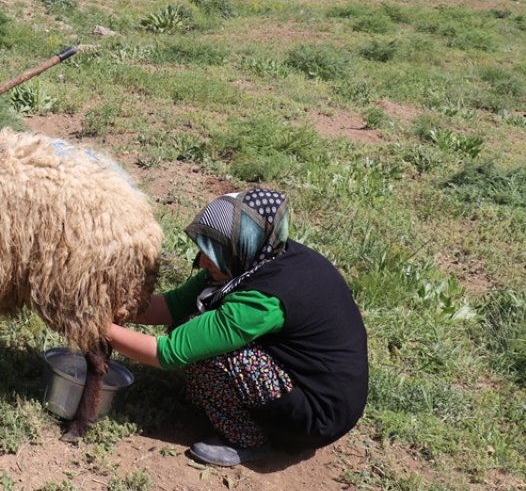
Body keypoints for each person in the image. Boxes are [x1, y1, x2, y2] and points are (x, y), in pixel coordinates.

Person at [106, 188, 368, 467]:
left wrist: (96, 327)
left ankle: (247, 439)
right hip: (300, 375)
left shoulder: (264, 299)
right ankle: (227, 404)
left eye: (212, 253)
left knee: (208, 355)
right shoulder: (253, 255)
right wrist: (109, 306)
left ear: (239, 247)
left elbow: (169, 353)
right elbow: (177, 303)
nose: (203, 261)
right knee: (192, 322)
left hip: (316, 415)